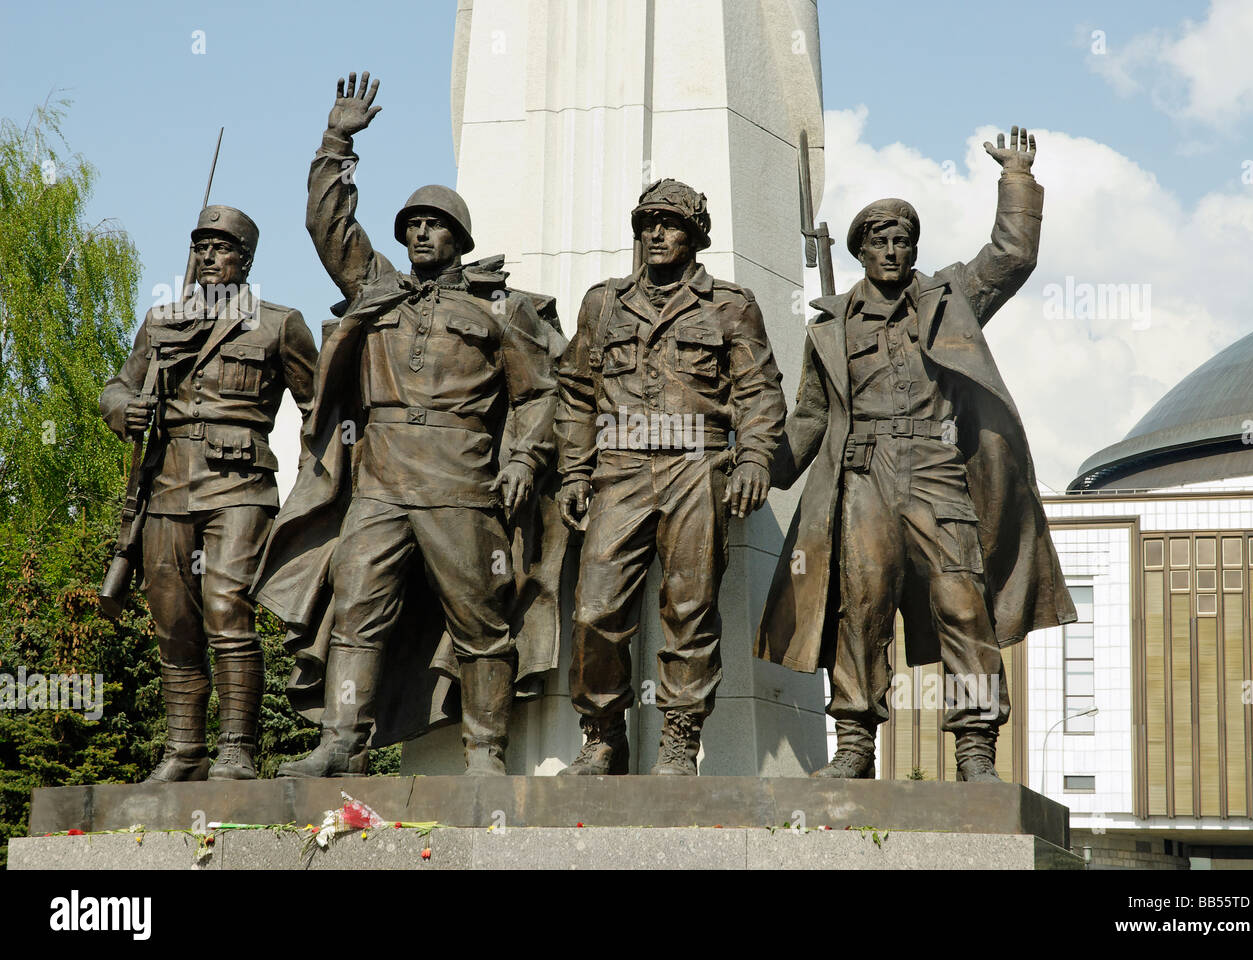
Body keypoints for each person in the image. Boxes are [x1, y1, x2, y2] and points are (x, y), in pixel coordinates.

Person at [256, 72, 558, 777]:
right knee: (358, 607)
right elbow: (326, 226)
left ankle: (485, 752)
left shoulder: (497, 313)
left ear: (459, 238)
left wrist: (520, 463)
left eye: (435, 225)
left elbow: (538, 394)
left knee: (480, 617)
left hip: (461, 479)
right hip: (383, 478)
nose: (422, 232)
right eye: (412, 225)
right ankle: (341, 743)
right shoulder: (378, 290)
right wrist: (337, 141)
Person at [757, 126, 1076, 781]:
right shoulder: (832, 328)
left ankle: (976, 751)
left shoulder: (949, 298)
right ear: (860, 251)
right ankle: (853, 745)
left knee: (963, 602)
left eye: (904, 239)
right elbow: (809, 422)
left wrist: (1016, 178)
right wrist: (758, 466)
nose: (894, 250)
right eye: (881, 241)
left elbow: (1011, 255)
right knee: (862, 606)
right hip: (862, 477)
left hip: (936, 470)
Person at [554, 178, 786, 775]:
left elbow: (759, 391)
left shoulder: (730, 305)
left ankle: (680, 738)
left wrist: (755, 457)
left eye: (670, 223)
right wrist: (574, 472)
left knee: (690, 608)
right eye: (646, 223)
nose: (655, 233)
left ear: (696, 236)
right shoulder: (602, 303)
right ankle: (603, 733)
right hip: (619, 468)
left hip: (696, 465)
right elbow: (577, 394)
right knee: (594, 612)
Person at [100, 205, 316, 781]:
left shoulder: (277, 323)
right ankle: (184, 751)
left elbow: (319, 409)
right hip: (167, 486)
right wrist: (127, 407)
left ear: (245, 259)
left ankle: (238, 750)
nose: (208, 257)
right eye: (200, 247)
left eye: (221, 248)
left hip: (239, 487)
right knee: (173, 621)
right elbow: (117, 387)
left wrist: (318, 490)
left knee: (227, 610)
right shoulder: (161, 320)